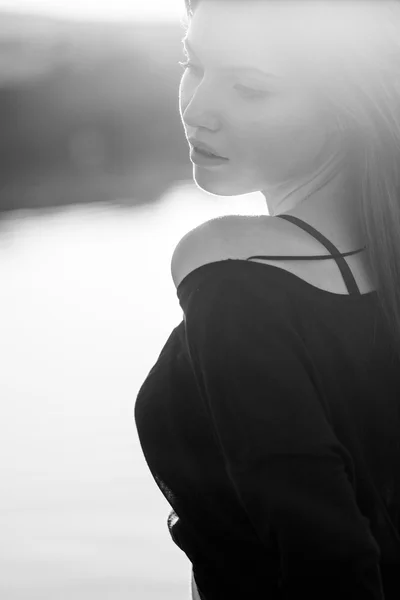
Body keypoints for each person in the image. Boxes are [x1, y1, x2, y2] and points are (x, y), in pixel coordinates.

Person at [135, 2, 400, 598]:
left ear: (347, 107)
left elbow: (330, 564)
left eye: (250, 89)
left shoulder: (229, 267)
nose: (197, 109)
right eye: (193, 63)